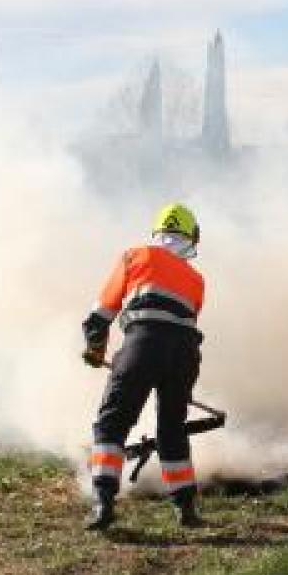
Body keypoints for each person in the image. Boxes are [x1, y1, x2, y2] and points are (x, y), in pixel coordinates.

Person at [81, 203, 206, 530]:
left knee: (112, 423)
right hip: (186, 354)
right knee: (172, 429)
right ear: (190, 237)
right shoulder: (196, 279)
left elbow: (101, 313)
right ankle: (186, 508)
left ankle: (103, 503)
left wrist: (95, 348)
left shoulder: (134, 256)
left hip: (143, 345)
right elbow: (184, 322)